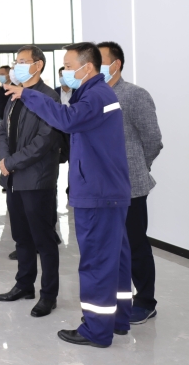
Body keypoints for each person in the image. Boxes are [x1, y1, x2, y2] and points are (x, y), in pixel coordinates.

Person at [5, 42, 132, 348]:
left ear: (87, 68)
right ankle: (117, 319)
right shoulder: (96, 94)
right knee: (114, 259)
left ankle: (96, 330)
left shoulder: (96, 95)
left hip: (98, 193)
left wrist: (28, 94)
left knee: (97, 262)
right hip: (107, 191)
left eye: (68, 66)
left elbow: (66, 120)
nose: (64, 71)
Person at [97, 41, 163, 325]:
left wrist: (138, 167)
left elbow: (153, 139)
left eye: (100, 60)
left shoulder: (134, 95)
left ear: (116, 64)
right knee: (109, 247)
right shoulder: (91, 96)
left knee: (135, 244)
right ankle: (119, 297)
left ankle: (146, 301)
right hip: (101, 187)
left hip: (130, 186)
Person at [0, 45, 62, 318]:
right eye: (16, 61)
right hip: (13, 178)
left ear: (38, 65)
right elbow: (3, 131)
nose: (17, 66)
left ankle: (49, 295)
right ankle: (24, 285)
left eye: (23, 61)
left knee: (43, 240)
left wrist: (11, 162)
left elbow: (45, 140)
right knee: (21, 237)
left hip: (37, 179)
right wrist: (4, 158)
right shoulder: (14, 94)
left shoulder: (49, 97)